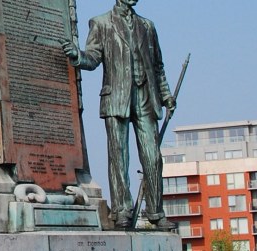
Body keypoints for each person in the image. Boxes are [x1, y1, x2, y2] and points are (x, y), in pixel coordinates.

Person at [61, 0, 175, 229]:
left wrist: (166, 95)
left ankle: (155, 212)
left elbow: (158, 66)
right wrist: (77, 55)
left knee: (153, 157)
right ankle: (122, 209)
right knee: (119, 157)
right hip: (116, 99)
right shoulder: (101, 23)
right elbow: (93, 58)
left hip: (145, 97)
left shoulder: (147, 26)